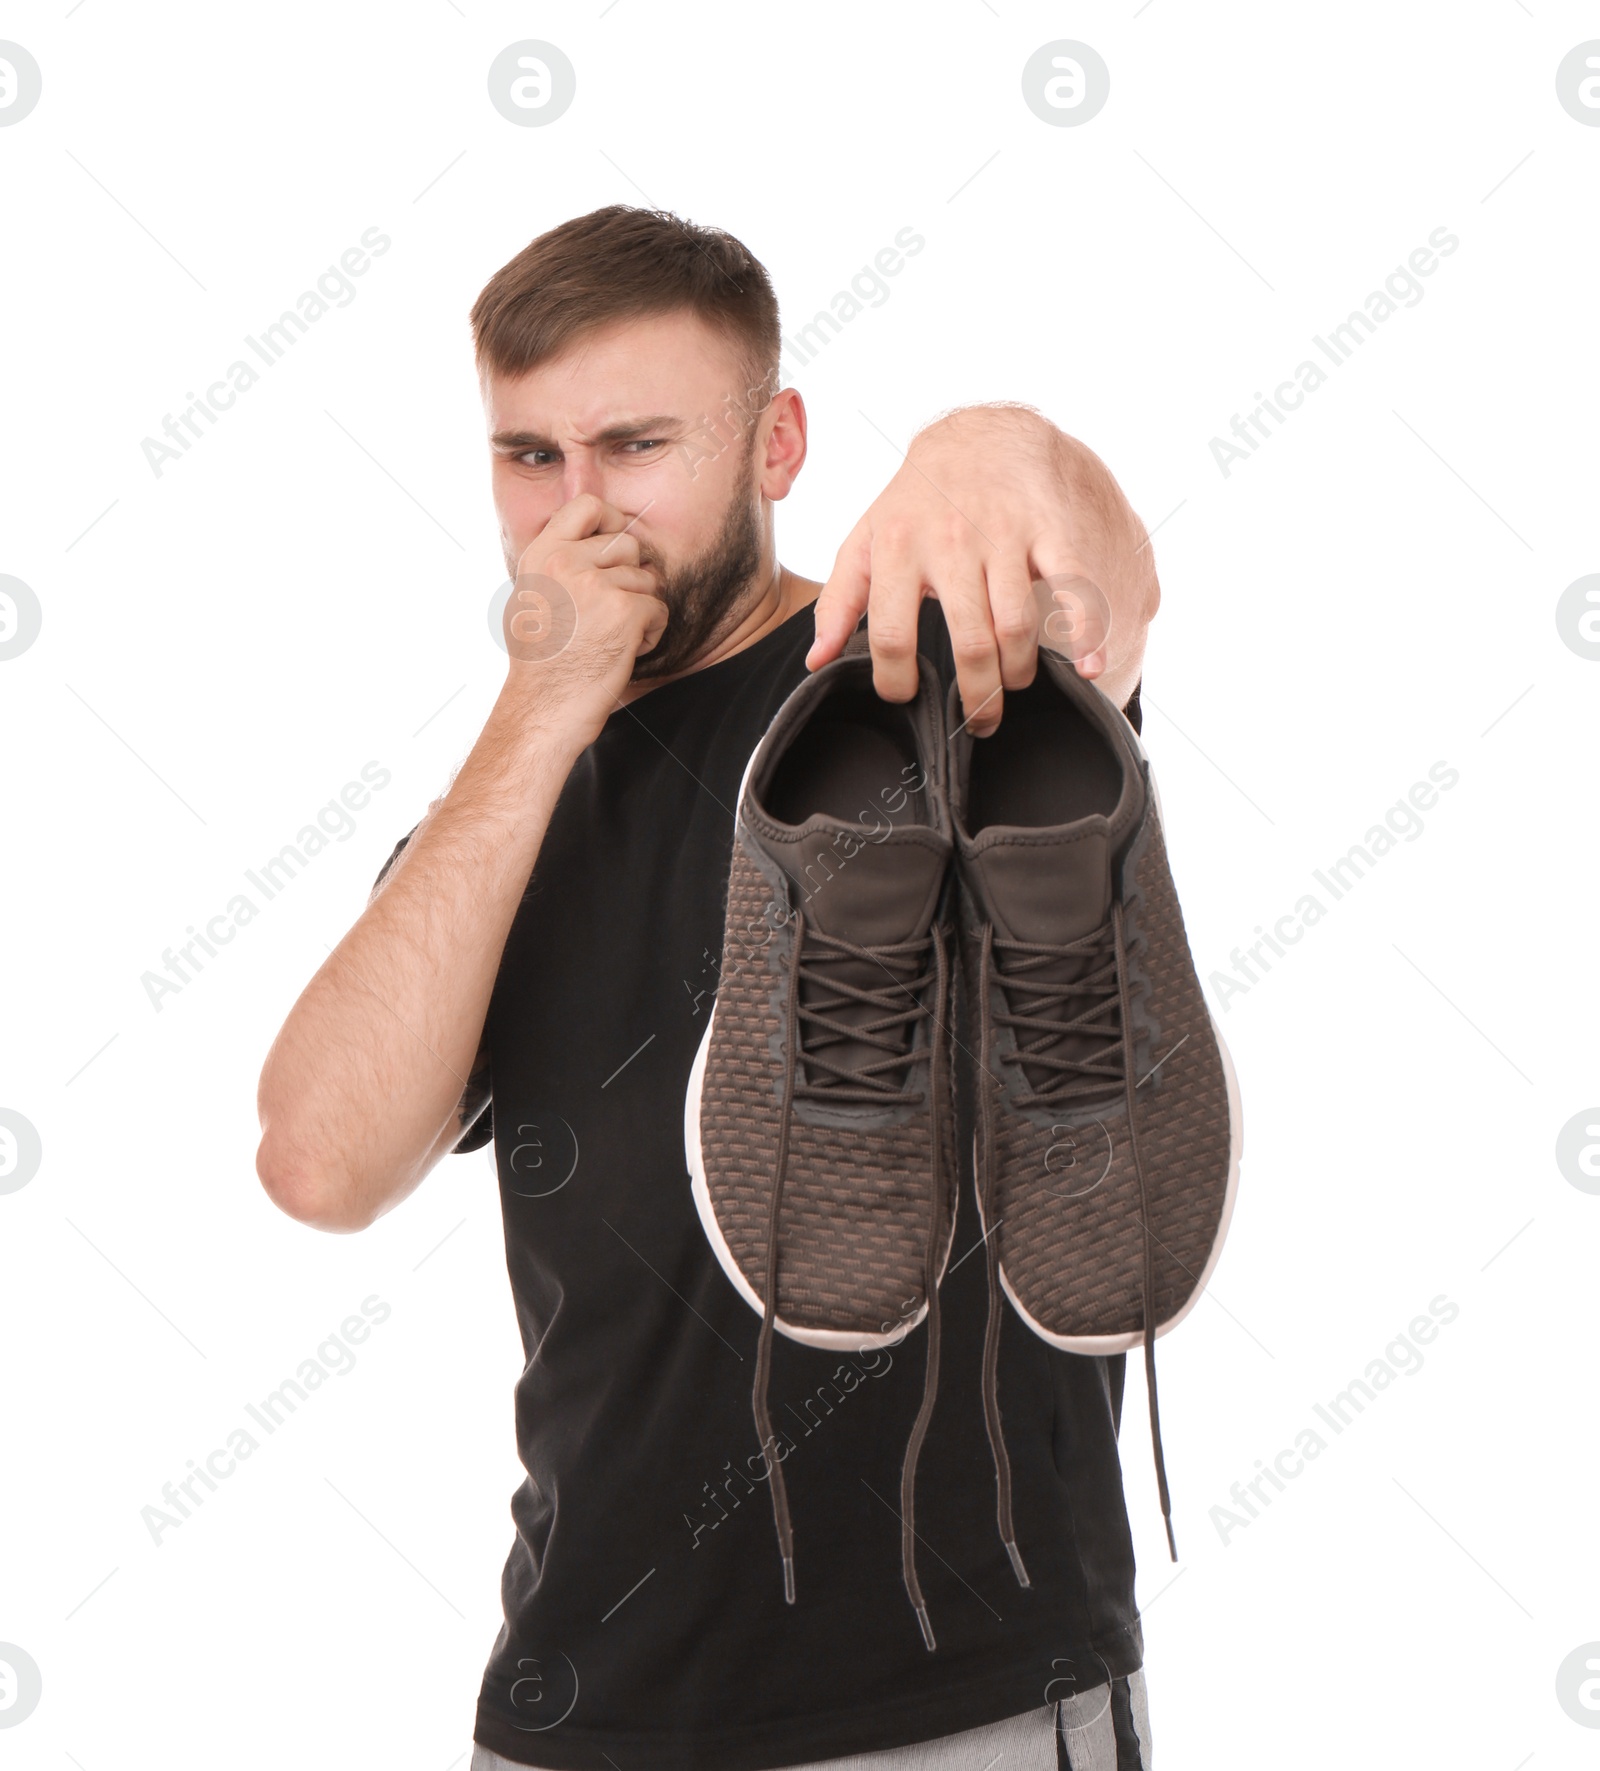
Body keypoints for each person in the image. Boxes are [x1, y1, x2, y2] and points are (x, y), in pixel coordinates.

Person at [255, 205, 1163, 1771]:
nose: (579, 512)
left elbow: (1104, 594)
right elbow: (319, 1162)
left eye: (635, 445)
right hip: (583, 1708)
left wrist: (986, 444)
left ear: (777, 443)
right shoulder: (502, 810)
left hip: (969, 1696)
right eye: (529, 458)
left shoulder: (911, 676)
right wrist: (544, 706)